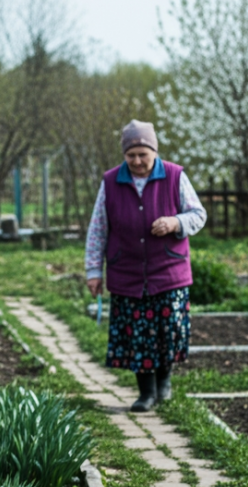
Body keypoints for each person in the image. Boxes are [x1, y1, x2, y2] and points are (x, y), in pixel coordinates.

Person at [85, 121, 206, 411]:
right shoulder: (111, 181)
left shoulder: (175, 176)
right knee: (137, 334)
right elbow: (98, 229)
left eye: (143, 155)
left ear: (154, 151)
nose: (137, 161)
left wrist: (176, 222)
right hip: (126, 272)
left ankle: (164, 381)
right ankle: (146, 392)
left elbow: (198, 215)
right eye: (131, 155)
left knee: (167, 331)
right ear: (124, 155)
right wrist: (93, 271)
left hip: (168, 271)